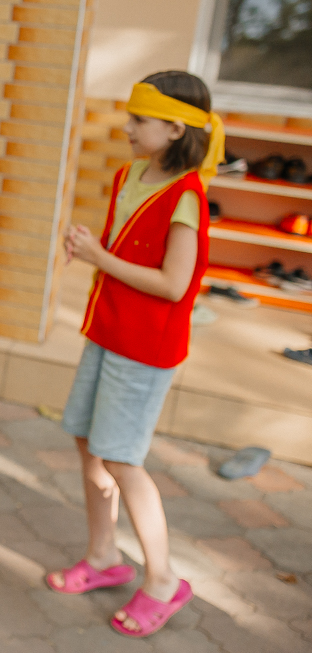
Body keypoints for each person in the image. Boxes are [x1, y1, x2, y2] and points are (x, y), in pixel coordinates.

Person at [46, 71, 223, 638]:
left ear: (175, 129)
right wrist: (93, 249)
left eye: (139, 120)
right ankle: (104, 556)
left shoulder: (188, 197)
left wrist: (99, 257)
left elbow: (173, 284)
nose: (127, 127)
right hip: (108, 332)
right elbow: (127, 249)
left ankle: (164, 580)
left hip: (145, 349)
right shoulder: (130, 174)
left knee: (121, 459)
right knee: (87, 442)